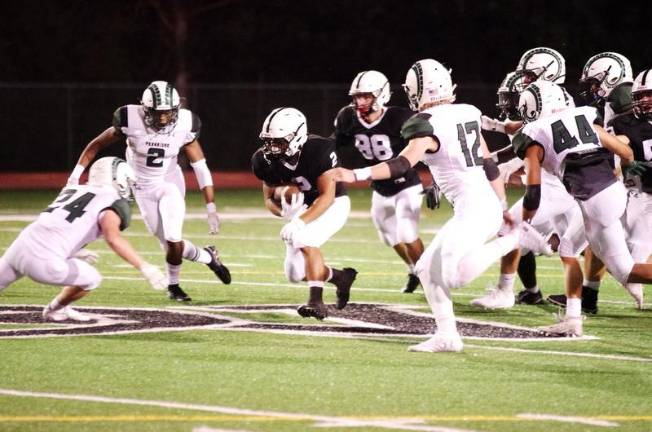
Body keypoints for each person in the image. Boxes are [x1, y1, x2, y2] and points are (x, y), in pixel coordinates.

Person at [334, 59, 548, 352]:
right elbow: (488, 164)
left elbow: (401, 164)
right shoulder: (467, 112)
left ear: (418, 91)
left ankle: (515, 239)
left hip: (474, 208)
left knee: (452, 276)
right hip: (479, 203)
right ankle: (447, 336)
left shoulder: (426, 124)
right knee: (424, 269)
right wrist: (500, 205)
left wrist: (356, 174)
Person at [66, 80, 230, 302]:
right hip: (142, 188)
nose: (163, 118)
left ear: (176, 109)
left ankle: (173, 286)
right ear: (144, 109)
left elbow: (200, 167)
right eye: (156, 113)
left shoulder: (185, 125)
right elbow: (95, 145)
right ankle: (208, 257)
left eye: (167, 112)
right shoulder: (129, 120)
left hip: (169, 184)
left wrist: (210, 206)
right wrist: (75, 176)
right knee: (169, 245)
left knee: (174, 239)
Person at [514, 80, 650, 336]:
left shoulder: (534, 135)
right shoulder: (586, 118)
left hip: (595, 200)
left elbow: (533, 193)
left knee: (626, 270)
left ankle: (573, 319)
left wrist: (525, 221)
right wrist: (627, 167)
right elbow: (626, 152)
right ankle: (572, 318)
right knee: (568, 248)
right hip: (613, 191)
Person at [0, 157, 168, 321]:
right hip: (44, 261)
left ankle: (60, 307)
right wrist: (145, 267)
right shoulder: (111, 199)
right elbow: (113, 238)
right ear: (120, 180)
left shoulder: (73, 189)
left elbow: (59, 223)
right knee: (91, 279)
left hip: (19, 247)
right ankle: (55, 310)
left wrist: (73, 250)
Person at [471, 71, 585, 310]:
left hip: (557, 187)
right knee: (575, 248)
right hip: (575, 186)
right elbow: (521, 135)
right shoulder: (561, 109)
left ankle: (505, 292)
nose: (518, 103)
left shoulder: (545, 115)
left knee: (510, 228)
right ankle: (538, 292)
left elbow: (524, 146)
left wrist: (495, 161)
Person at [547, 52, 635, 312]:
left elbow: (629, 142)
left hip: (631, 181)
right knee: (598, 241)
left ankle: (585, 298)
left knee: (630, 257)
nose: (594, 89)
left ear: (612, 76)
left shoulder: (623, 96)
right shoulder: (613, 100)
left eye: (597, 82)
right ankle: (588, 296)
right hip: (617, 181)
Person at [252, 107, 358, 320]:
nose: (272, 147)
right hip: (304, 206)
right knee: (294, 274)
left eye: (279, 141)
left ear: (297, 136)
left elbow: (327, 196)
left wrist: (299, 222)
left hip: (334, 203)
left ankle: (316, 301)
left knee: (305, 239)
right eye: (269, 141)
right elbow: (268, 198)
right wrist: (284, 212)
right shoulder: (263, 160)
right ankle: (339, 277)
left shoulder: (319, 149)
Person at [333, 70, 434, 294]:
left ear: (382, 95)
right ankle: (413, 270)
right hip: (379, 187)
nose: (360, 101)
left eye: (366, 96)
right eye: (357, 96)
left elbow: (426, 148)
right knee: (388, 236)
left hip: (406, 184)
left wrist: (435, 180)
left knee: (407, 233)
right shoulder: (347, 117)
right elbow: (335, 144)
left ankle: (429, 279)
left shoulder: (400, 118)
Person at [610, 68, 652, 309]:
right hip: (639, 193)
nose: (644, 100)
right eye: (641, 95)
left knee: (636, 249)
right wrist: (622, 165)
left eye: (650, 94)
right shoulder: (624, 123)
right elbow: (614, 152)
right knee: (630, 249)